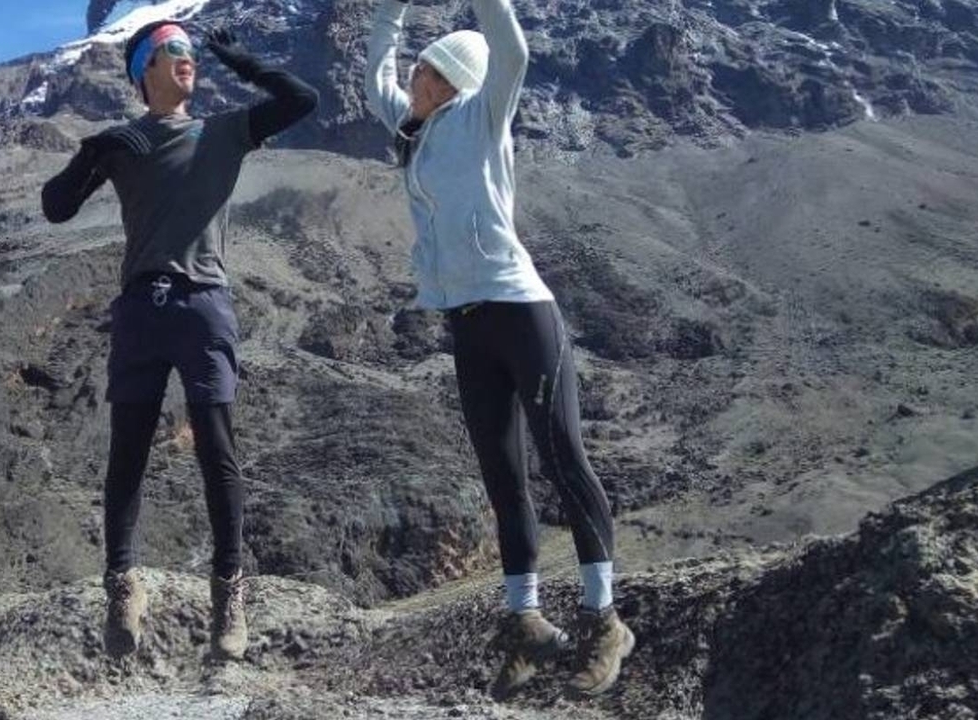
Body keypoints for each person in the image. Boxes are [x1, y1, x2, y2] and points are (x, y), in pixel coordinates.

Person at [363, 0, 634, 699]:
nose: (413, 68)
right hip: (467, 322)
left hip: (520, 310)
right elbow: (372, 74)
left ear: (449, 77)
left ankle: (605, 621)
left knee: (562, 456)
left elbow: (510, 52)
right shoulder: (412, 130)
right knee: (503, 477)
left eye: (426, 63)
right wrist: (389, 12)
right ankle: (525, 626)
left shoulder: (484, 117)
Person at [41, 19, 318, 662]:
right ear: (144, 71)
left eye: (190, 51)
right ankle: (122, 587)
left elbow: (301, 100)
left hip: (203, 305)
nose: (187, 59)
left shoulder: (223, 131)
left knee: (217, 450)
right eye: (172, 51)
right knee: (127, 453)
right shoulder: (124, 142)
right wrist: (92, 153)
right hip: (141, 308)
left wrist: (240, 59)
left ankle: (228, 595)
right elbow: (56, 207)